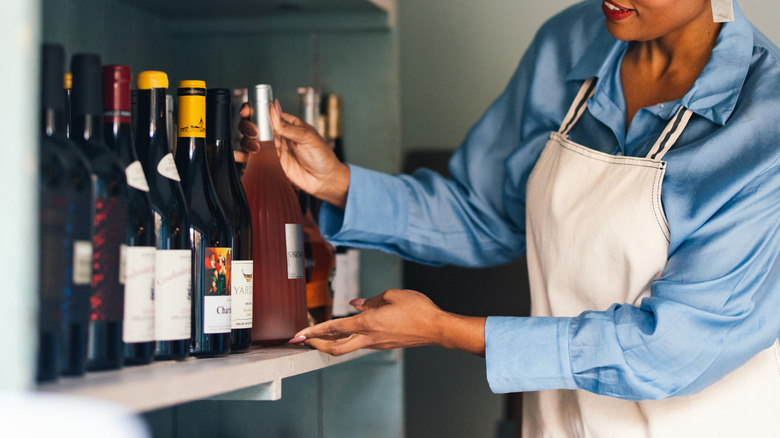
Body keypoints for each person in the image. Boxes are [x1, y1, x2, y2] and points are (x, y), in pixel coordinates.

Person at [240, 0, 780, 436]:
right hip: (555, 425)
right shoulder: (572, 40)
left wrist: (446, 331)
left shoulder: (766, 118)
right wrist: (333, 180)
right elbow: (485, 213)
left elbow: (671, 348)